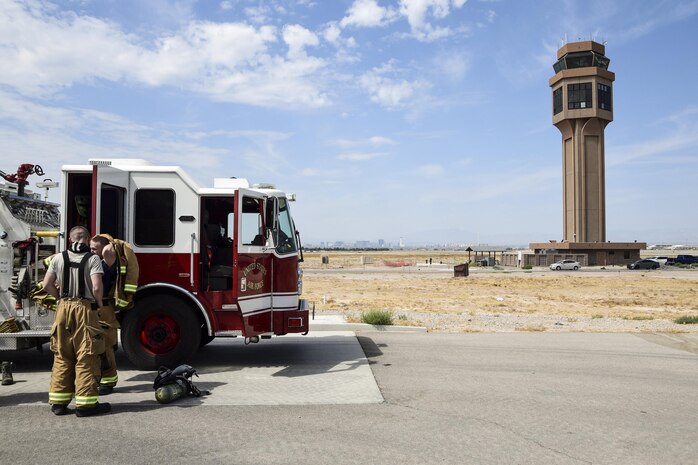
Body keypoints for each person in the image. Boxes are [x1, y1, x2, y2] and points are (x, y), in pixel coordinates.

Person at [42, 226, 110, 417]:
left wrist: (59, 299)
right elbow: (97, 287)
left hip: (62, 309)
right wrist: (97, 304)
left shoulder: (57, 258)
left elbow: (47, 284)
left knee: (63, 355)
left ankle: (59, 403)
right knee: (87, 355)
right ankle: (86, 405)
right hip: (84, 308)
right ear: (88, 240)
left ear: (71, 240)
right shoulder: (93, 259)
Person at [89, 233, 139, 395]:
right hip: (91, 307)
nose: (90, 251)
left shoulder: (108, 261)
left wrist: (109, 247)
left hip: (102, 307)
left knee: (106, 346)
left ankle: (108, 381)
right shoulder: (94, 260)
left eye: (93, 248)